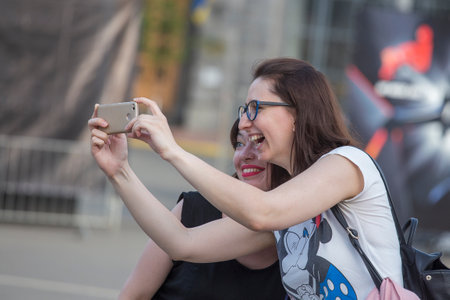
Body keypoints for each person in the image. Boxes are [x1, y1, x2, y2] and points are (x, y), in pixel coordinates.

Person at [89, 58, 403, 299]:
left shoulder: (347, 164)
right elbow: (181, 243)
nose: (243, 121)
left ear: (297, 114)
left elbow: (261, 212)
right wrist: (120, 172)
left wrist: (173, 151)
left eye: (255, 108)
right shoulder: (287, 212)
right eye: (244, 109)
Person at [119, 120, 287, 300]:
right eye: (240, 143)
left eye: (258, 142)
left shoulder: (295, 227)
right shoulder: (194, 209)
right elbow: (133, 295)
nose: (245, 155)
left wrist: (169, 151)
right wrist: (119, 171)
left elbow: (183, 242)